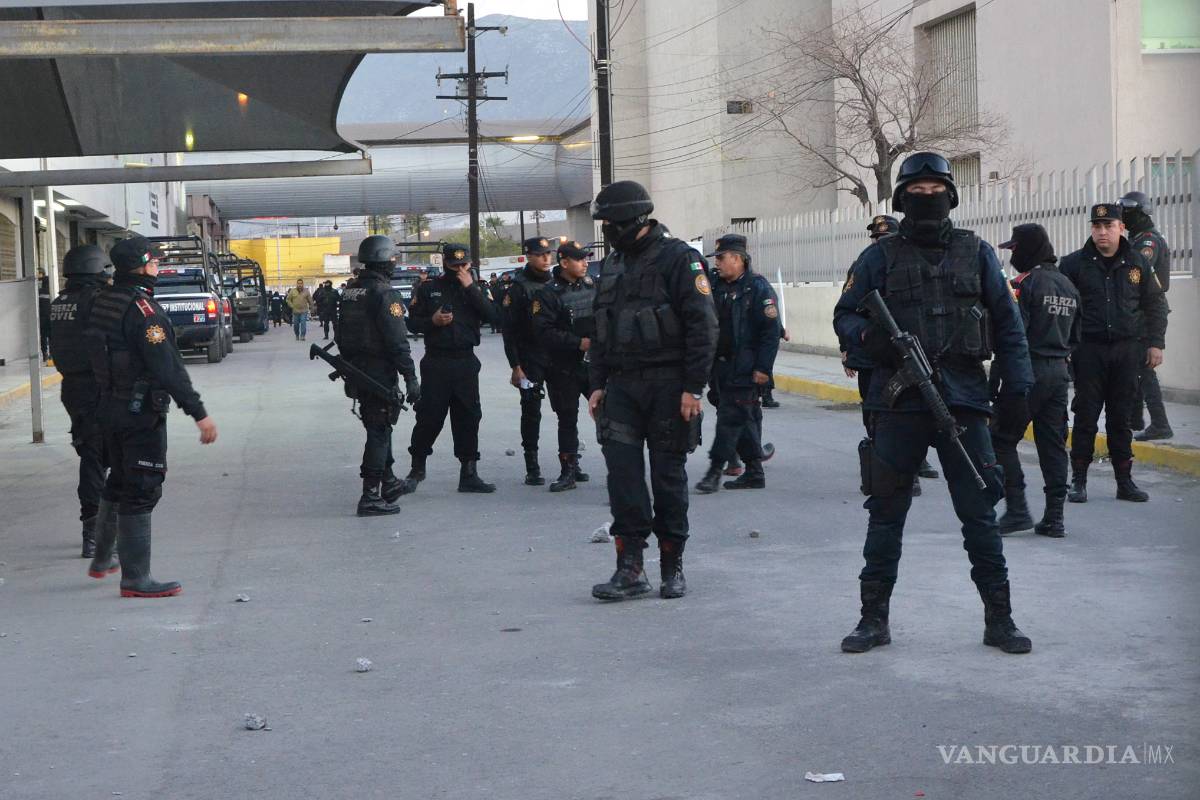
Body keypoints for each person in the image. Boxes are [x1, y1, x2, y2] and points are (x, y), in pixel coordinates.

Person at [833, 152, 1034, 654]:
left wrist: (1018, 391)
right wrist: (872, 340)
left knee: (980, 515)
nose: (927, 197)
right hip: (898, 403)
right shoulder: (878, 258)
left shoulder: (977, 252)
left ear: (951, 196)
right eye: (917, 191)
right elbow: (846, 315)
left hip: (963, 400)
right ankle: (873, 619)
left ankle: (1000, 619)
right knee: (886, 514)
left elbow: (1009, 328)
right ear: (902, 199)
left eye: (935, 190)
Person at [587, 181, 718, 601]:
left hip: (669, 385)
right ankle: (630, 568)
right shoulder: (612, 264)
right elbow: (601, 328)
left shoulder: (679, 258)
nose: (606, 230)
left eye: (610, 223)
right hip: (622, 386)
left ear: (633, 220)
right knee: (622, 477)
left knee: (667, 477)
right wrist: (596, 384)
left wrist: (693, 388)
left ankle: (671, 566)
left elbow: (703, 326)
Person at [85, 236, 218, 597]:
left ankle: (102, 559)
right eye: (155, 262)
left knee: (118, 481)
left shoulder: (103, 302)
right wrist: (199, 413)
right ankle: (136, 579)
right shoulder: (144, 312)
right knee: (142, 488)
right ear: (142, 266)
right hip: (139, 413)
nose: (158, 267)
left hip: (108, 408)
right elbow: (168, 368)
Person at [1060, 202, 1168, 503]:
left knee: (1121, 418)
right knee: (1085, 416)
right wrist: (1064, 347)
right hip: (1088, 351)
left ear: (1121, 228)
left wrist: (1156, 343)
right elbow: (1063, 309)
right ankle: (1078, 480)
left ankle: (1124, 481)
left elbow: (1155, 304)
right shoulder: (1073, 264)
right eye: (1097, 226)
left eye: (1109, 226)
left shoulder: (1138, 262)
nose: (1102, 232)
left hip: (1126, 351)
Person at [990, 224, 1080, 537]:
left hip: (1025, 371)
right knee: (1052, 445)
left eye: (1014, 249)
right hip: (1059, 373)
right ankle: (1055, 518)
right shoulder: (1068, 285)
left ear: (1028, 248)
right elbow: (1076, 336)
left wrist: (996, 380)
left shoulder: (1024, 285)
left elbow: (1012, 335)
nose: (1012, 256)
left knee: (1000, 439)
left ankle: (1017, 509)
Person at [840, 215, 938, 496]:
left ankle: (916, 463)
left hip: (909, 353)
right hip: (872, 354)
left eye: (886, 238)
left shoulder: (914, 262)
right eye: (877, 238)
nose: (880, 243)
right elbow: (846, 311)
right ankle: (879, 467)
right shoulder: (864, 264)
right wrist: (847, 348)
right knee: (874, 415)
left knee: (915, 410)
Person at [336, 236, 421, 516]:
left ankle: (389, 482)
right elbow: (397, 341)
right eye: (393, 260)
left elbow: (340, 333)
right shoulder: (384, 293)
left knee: (379, 424)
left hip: (357, 370)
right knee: (379, 430)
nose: (394, 265)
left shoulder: (351, 291)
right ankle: (370, 495)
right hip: (378, 372)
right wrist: (410, 377)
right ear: (384, 261)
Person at [405, 245, 500, 493]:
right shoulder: (428, 289)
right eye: (454, 265)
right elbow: (412, 323)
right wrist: (432, 321)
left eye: (464, 265)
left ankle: (469, 473)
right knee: (429, 417)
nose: (460, 270)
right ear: (445, 263)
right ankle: (417, 468)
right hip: (437, 362)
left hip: (465, 362)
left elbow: (494, 316)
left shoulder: (477, 289)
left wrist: (471, 288)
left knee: (469, 417)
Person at [694, 234, 780, 494]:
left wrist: (763, 368)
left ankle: (714, 472)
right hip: (719, 367)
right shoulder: (715, 285)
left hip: (745, 367)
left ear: (738, 258)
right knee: (742, 417)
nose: (717, 263)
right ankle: (754, 471)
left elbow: (770, 333)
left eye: (721, 258)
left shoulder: (757, 287)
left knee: (729, 418)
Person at [49, 245, 112, 557]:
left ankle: (98, 527)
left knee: (93, 455)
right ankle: (94, 532)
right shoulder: (96, 301)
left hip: (72, 388)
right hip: (96, 388)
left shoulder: (59, 303)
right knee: (97, 460)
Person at [531, 240, 596, 492]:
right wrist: (577, 343)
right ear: (565, 262)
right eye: (580, 259)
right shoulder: (547, 293)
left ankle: (621, 467)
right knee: (567, 418)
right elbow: (542, 332)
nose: (585, 263)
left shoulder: (591, 285)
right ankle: (568, 469)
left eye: (586, 258)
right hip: (563, 367)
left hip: (593, 365)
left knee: (608, 414)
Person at [501, 237, 556, 485]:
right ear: (529, 256)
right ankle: (532, 466)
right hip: (530, 357)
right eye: (540, 254)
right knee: (531, 410)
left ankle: (570, 462)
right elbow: (509, 330)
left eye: (548, 254)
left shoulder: (556, 282)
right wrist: (515, 366)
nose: (546, 258)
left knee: (566, 410)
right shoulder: (518, 288)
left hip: (557, 354)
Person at [1121, 191, 1174, 441]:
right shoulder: (1137, 238)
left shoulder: (1148, 242)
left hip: (1147, 311)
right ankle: (1136, 420)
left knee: (1144, 369)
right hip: (1139, 311)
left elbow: (1134, 274)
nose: (1124, 217)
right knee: (1135, 367)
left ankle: (1160, 424)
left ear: (1140, 213)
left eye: (1128, 212)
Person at [38, 268, 52, 363]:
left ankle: (49, 354)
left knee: (49, 335)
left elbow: (44, 291)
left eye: (38, 273)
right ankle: (45, 354)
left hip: (46, 313)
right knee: (44, 335)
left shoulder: (46, 281)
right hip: (43, 314)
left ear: (41, 274)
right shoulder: (39, 284)